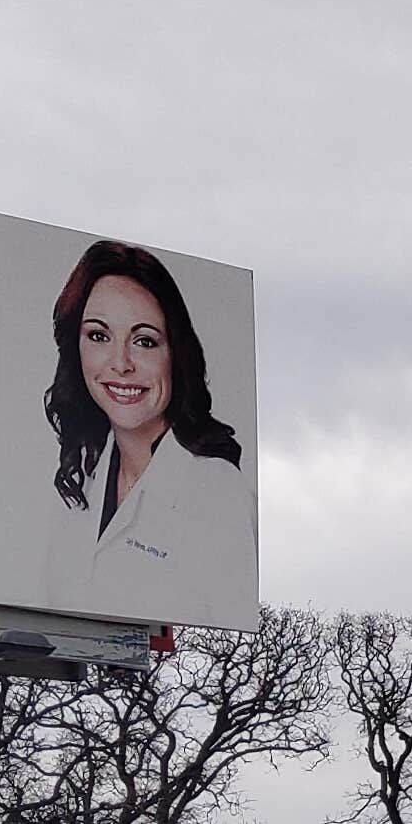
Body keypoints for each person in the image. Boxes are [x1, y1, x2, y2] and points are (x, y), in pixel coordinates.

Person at [43, 239, 249, 608]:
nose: (121, 363)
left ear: (176, 353)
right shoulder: (79, 481)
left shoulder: (217, 492)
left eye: (144, 341)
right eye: (99, 336)